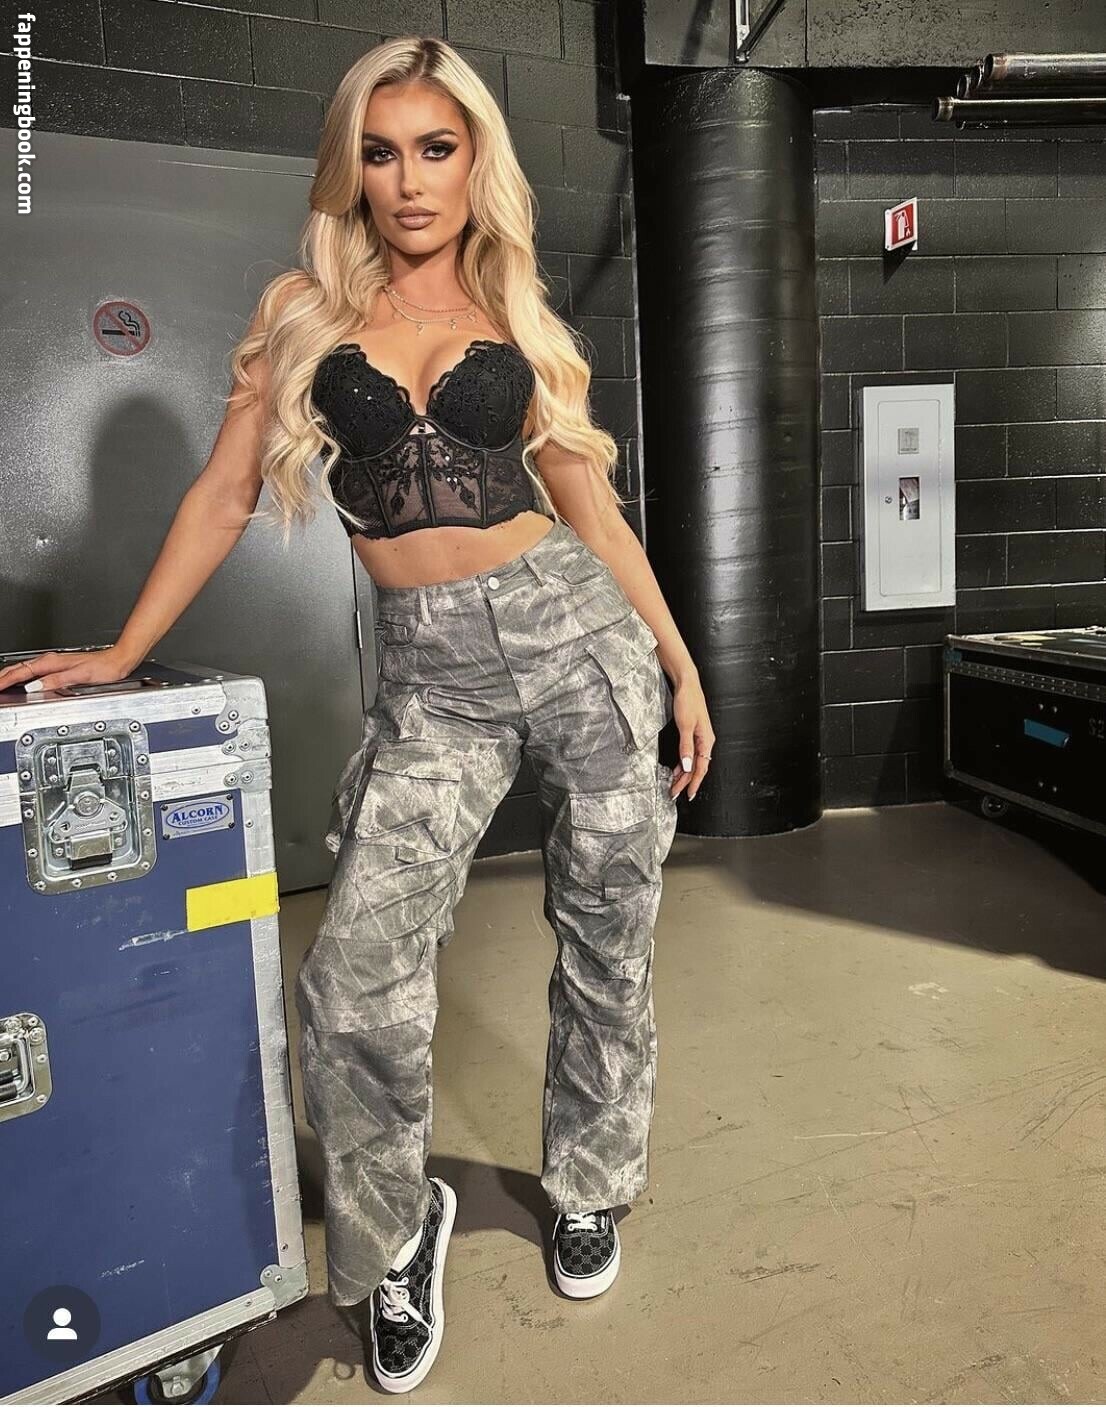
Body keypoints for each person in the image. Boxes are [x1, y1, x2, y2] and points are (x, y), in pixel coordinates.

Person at [0, 33, 715, 1395]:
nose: (409, 180)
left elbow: (592, 510)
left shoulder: (515, 310)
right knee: (351, 983)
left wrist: (678, 666)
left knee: (608, 942)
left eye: (436, 148)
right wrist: (123, 650)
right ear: (351, 169)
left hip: (581, 646)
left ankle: (589, 1182)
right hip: (433, 677)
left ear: (476, 159)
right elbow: (224, 494)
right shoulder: (303, 314)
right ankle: (393, 1238)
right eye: (380, 153)